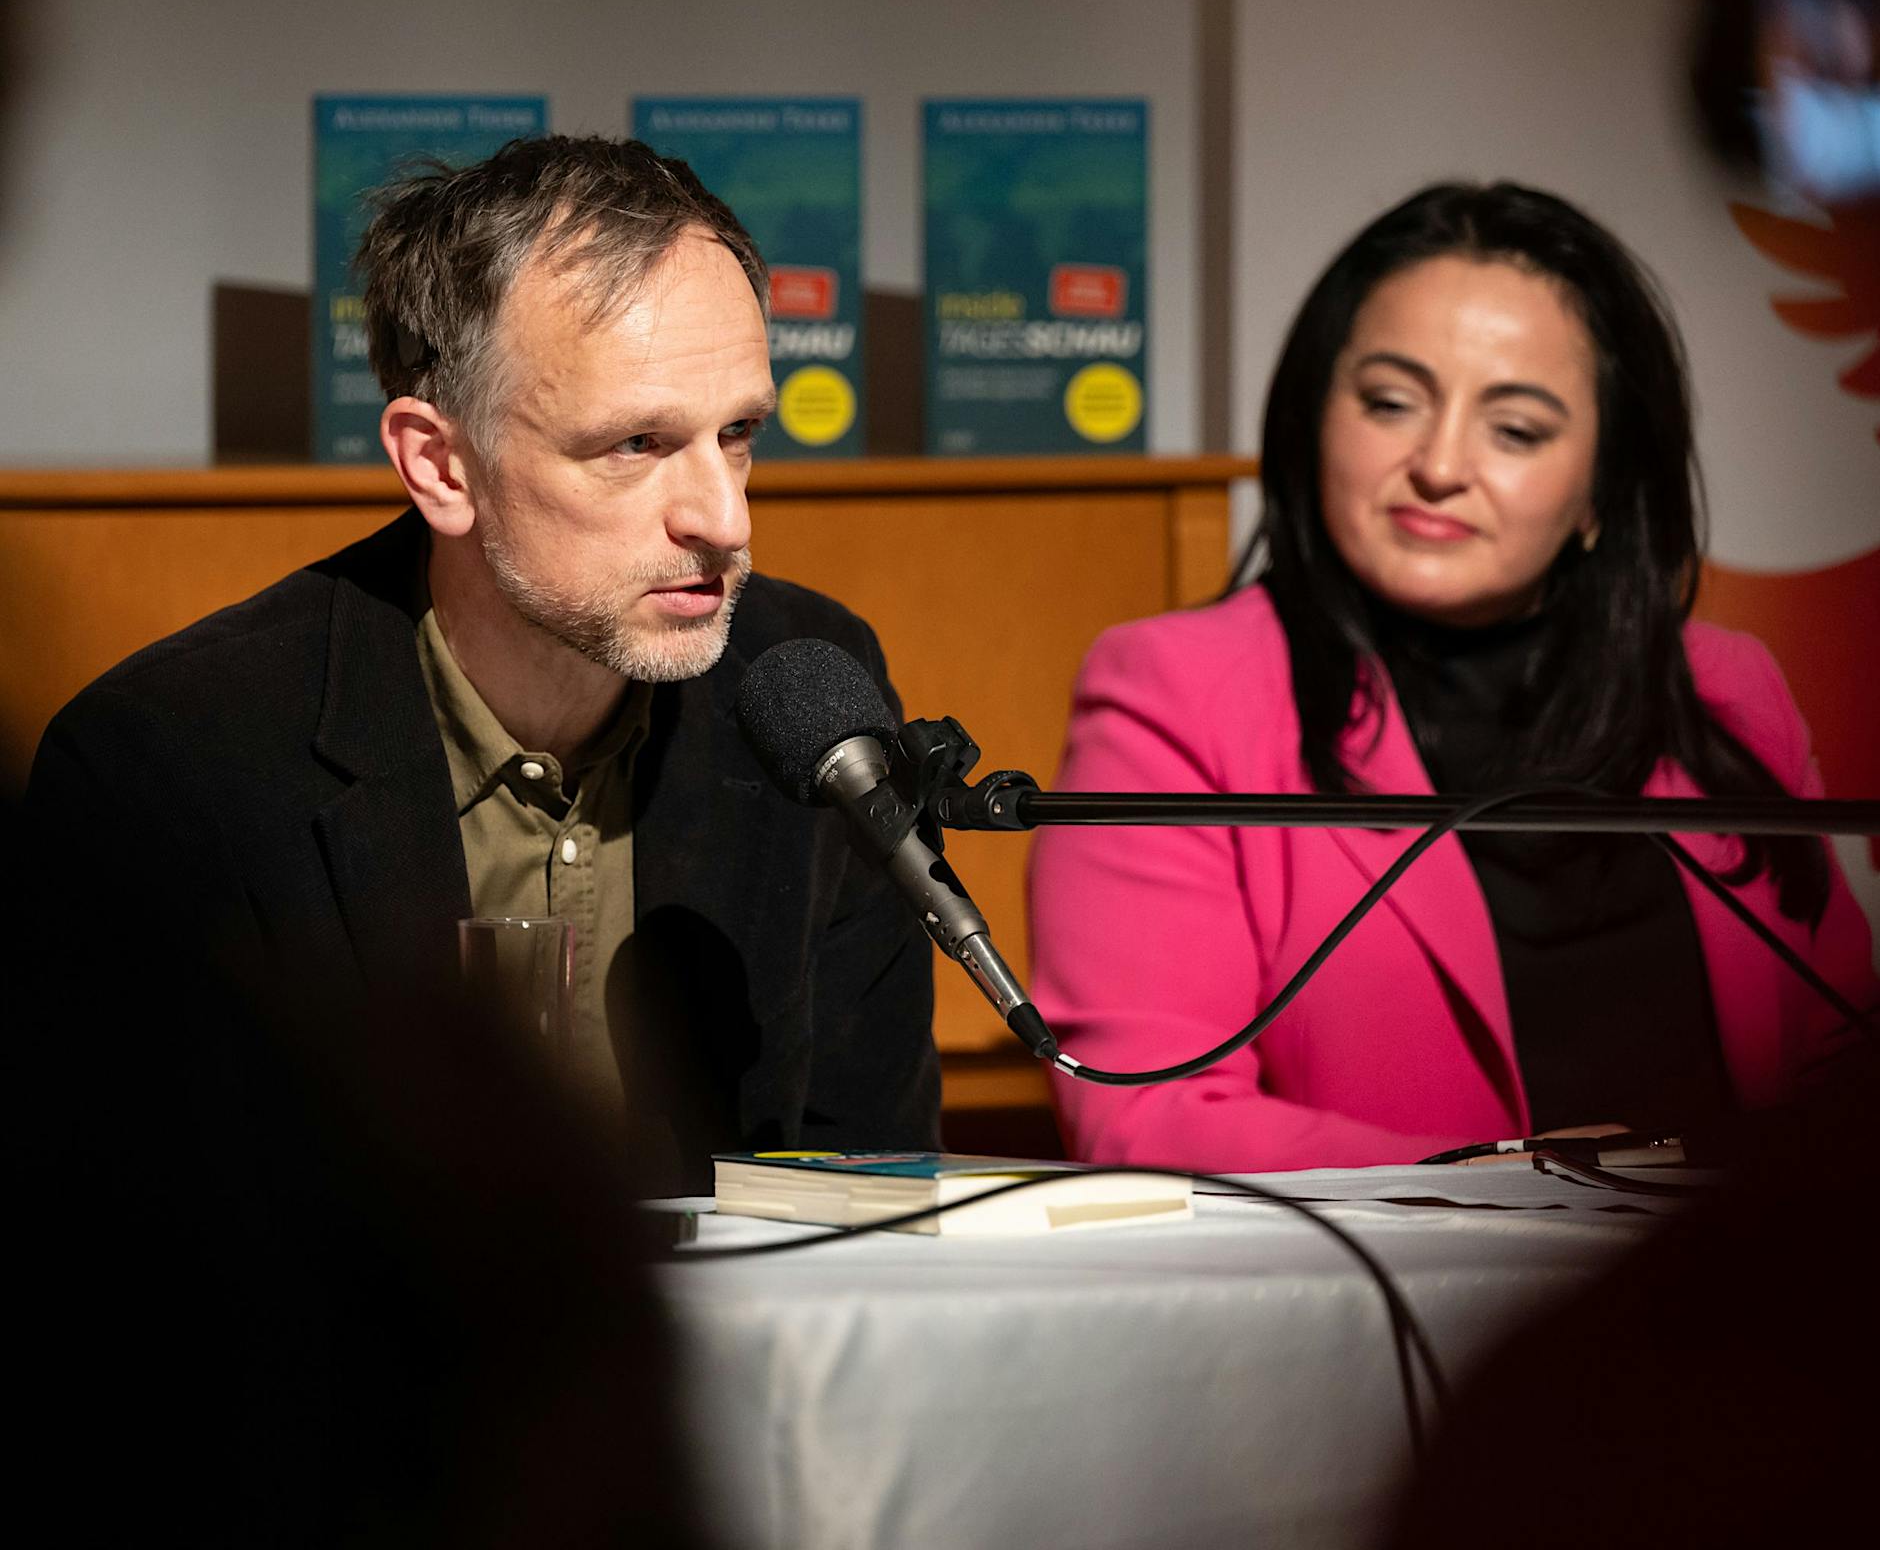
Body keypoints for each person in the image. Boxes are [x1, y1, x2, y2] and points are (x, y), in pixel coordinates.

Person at [27, 134, 939, 1185]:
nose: (724, 519)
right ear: (441, 465)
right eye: (634, 445)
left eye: (736, 433)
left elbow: (870, 1184)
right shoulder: (176, 762)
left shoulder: (808, 693)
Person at [1028, 180, 1876, 1172]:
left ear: (1602, 486)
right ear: (1312, 417)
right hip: (1388, 1276)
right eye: (1390, 403)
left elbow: (1842, 1061)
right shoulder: (1174, 695)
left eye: (1514, 429)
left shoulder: (1727, 690)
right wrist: (1521, 1181)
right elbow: (1147, 1115)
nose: (1437, 465)